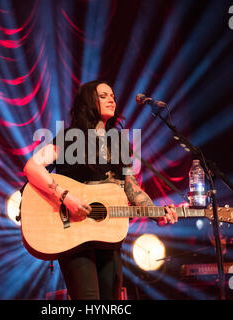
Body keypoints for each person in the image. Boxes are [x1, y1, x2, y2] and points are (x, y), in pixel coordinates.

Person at [23, 80, 178, 299]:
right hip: (72, 233)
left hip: (108, 235)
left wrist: (157, 214)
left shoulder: (119, 143)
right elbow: (32, 167)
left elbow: (131, 189)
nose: (111, 99)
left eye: (113, 96)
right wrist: (65, 197)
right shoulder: (70, 138)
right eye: (104, 95)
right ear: (89, 101)